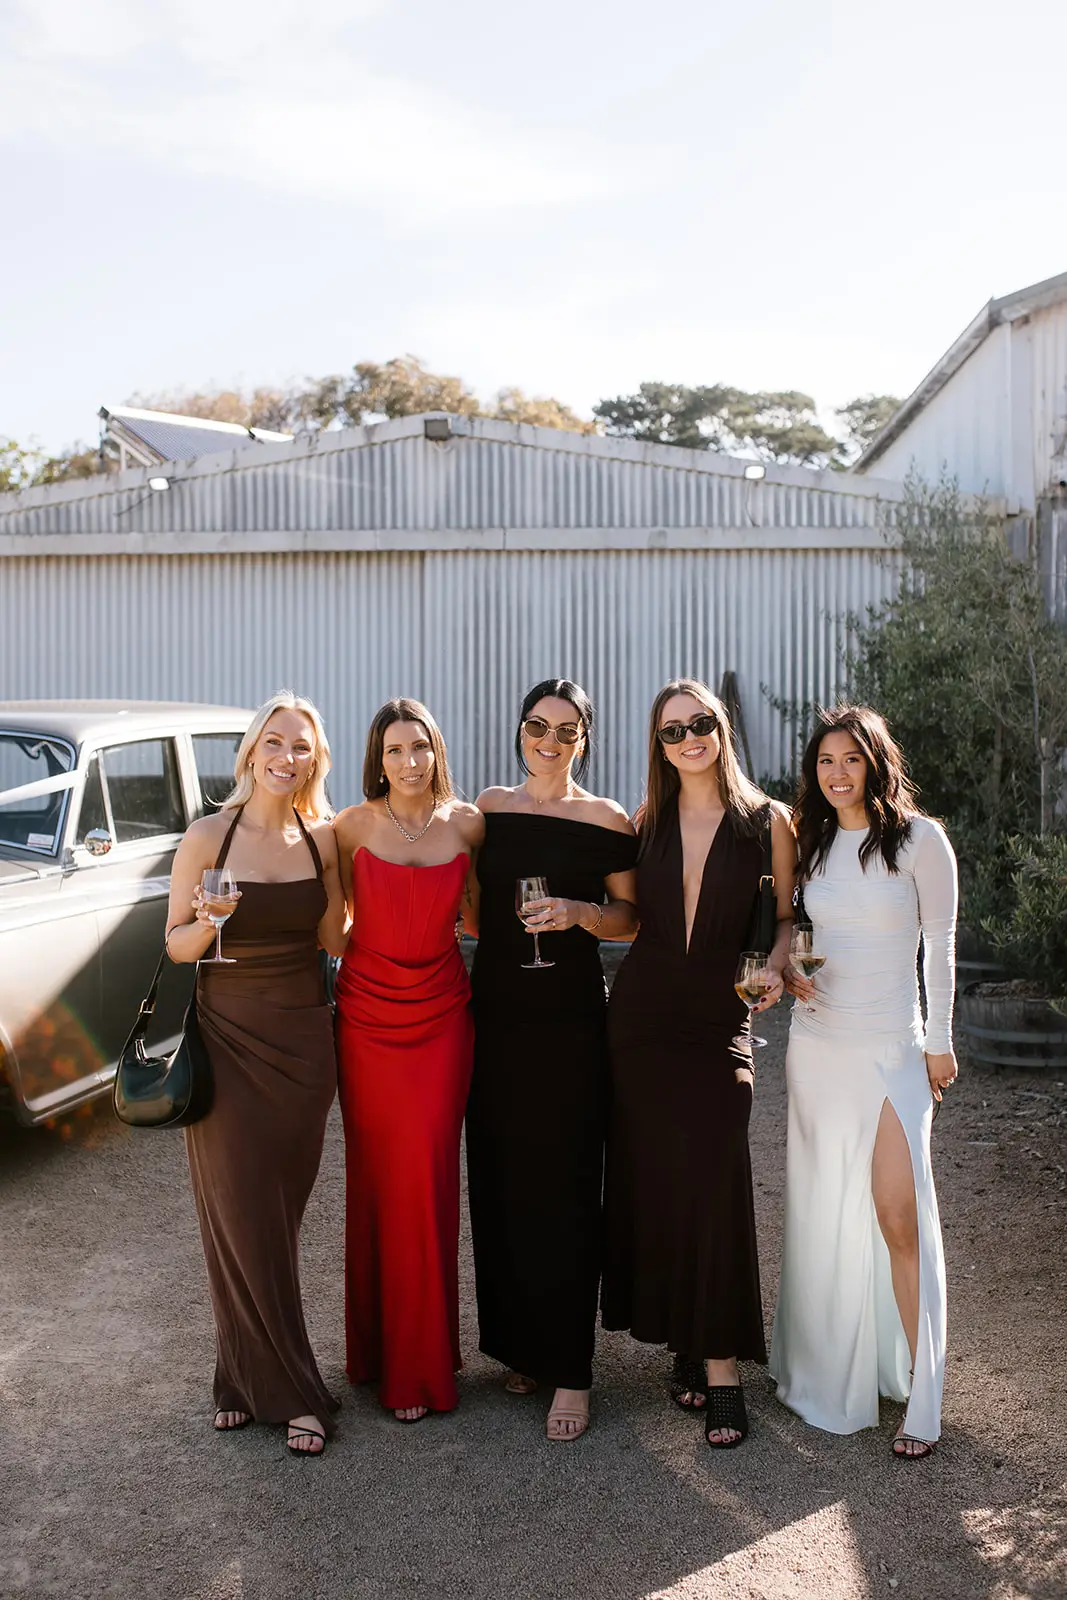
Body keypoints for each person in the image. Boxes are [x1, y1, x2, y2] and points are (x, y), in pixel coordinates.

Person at [601, 679, 793, 1448]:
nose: (689, 740)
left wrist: (776, 967)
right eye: (672, 731)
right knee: (657, 1184)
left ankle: (719, 1368)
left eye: (701, 724)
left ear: (722, 729)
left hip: (719, 1020)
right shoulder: (643, 822)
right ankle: (686, 1342)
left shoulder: (767, 821)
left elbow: (786, 917)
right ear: (659, 745)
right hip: (641, 1019)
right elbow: (624, 921)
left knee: (713, 1179)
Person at [771, 704, 958, 1460]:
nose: (837, 772)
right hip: (816, 1048)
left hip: (892, 1052)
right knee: (822, 1213)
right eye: (824, 761)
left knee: (895, 1212)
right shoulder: (809, 843)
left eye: (850, 758)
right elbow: (790, 933)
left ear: (876, 761)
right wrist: (785, 971)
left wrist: (939, 1045)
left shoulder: (920, 840)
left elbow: (940, 947)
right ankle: (823, 1368)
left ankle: (923, 1387)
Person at [166, 691, 348, 1458]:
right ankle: (293, 1392)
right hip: (228, 1038)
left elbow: (334, 937)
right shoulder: (207, 834)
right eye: (274, 743)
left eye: (301, 747)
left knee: (276, 1220)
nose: (286, 757)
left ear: (316, 758)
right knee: (241, 1216)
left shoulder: (323, 838)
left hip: (306, 1044)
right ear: (250, 752)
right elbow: (175, 945)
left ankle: (236, 1375)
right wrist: (209, 920)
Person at [466, 679, 638, 1441]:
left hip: (569, 1021)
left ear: (584, 740)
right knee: (502, 1178)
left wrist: (577, 914)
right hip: (495, 1014)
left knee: (567, 1183)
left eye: (566, 730)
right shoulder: (489, 808)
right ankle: (523, 1347)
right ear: (520, 729)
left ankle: (571, 1369)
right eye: (537, 725)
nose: (549, 739)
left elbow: (631, 919)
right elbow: (469, 904)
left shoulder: (605, 819)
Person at [333, 699, 483, 1423]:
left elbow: (481, 917)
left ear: (436, 750)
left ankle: (420, 1367)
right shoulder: (349, 826)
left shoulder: (469, 825)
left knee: (427, 1179)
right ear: (377, 758)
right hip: (365, 1017)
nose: (408, 762)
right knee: (374, 1180)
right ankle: (373, 1355)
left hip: (442, 1018)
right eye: (394, 750)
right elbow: (332, 928)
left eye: (419, 747)